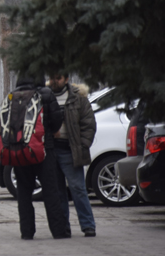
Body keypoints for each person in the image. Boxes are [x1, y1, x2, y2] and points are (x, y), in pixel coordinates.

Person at [11, 74, 71, 240]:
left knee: (23, 193)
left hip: (21, 150)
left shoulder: (13, 95)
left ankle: (27, 232)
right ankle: (59, 232)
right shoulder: (46, 94)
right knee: (51, 192)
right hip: (44, 149)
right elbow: (57, 120)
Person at [50, 73, 97, 237]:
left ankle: (88, 225)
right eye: (52, 77)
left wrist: (82, 145)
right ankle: (63, 227)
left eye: (58, 78)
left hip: (70, 150)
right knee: (58, 191)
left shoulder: (77, 97)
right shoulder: (45, 95)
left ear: (66, 79)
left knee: (78, 188)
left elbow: (89, 123)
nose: (55, 81)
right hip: (51, 151)